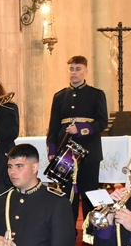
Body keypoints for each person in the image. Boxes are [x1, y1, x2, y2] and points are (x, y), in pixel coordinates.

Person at [46, 55, 109, 224]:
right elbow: (53, 126)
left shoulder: (97, 94)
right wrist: (52, 150)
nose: (74, 72)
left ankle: (90, 227)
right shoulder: (60, 96)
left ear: (85, 71)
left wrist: (81, 129)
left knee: (89, 192)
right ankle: (68, 228)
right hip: (65, 151)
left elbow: (102, 122)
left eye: (78, 69)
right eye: (71, 69)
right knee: (67, 193)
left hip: (89, 152)